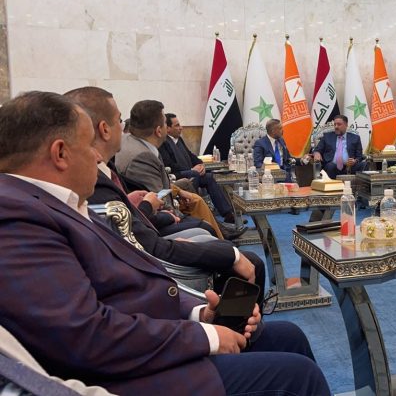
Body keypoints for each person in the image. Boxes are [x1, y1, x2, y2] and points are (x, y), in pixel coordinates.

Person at [0, 91, 330, 395]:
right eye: (88, 146)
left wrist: (200, 314)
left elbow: (119, 288)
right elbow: (85, 336)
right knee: (298, 376)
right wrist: (205, 336)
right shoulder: (16, 218)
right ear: (60, 153)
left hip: (155, 335)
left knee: (289, 337)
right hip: (132, 374)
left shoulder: (52, 203)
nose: (97, 157)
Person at [65, 87, 266, 294]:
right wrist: (231, 255)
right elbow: (146, 245)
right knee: (246, 259)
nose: (125, 129)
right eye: (120, 120)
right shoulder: (91, 181)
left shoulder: (106, 170)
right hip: (152, 267)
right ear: (104, 129)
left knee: (209, 232)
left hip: (151, 242)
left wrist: (131, 202)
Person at [113, 100, 245, 240]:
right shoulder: (143, 156)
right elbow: (158, 202)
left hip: (151, 211)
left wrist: (177, 192)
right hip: (155, 226)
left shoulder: (130, 142)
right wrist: (178, 213)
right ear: (158, 131)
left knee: (196, 201)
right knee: (205, 227)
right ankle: (224, 242)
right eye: (165, 123)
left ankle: (222, 234)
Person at [160, 113, 239, 224]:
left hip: (190, 172)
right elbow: (170, 165)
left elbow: (190, 155)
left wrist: (201, 165)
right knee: (195, 174)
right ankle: (199, 213)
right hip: (176, 175)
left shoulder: (179, 140)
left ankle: (227, 214)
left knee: (209, 177)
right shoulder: (163, 143)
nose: (181, 128)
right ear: (168, 128)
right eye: (177, 125)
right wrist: (192, 169)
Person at [312, 114, 365, 179]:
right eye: (335, 124)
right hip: (332, 167)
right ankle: (334, 185)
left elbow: (359, 156)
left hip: (350, 167)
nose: (336, 127)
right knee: (331, 166)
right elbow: (317, 149)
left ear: (346, 125)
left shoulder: (355, 138)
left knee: (364, 164)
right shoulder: (327, 137)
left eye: (339, 124)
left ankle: (361, 185)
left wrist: (355, 161)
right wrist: (316, 153)